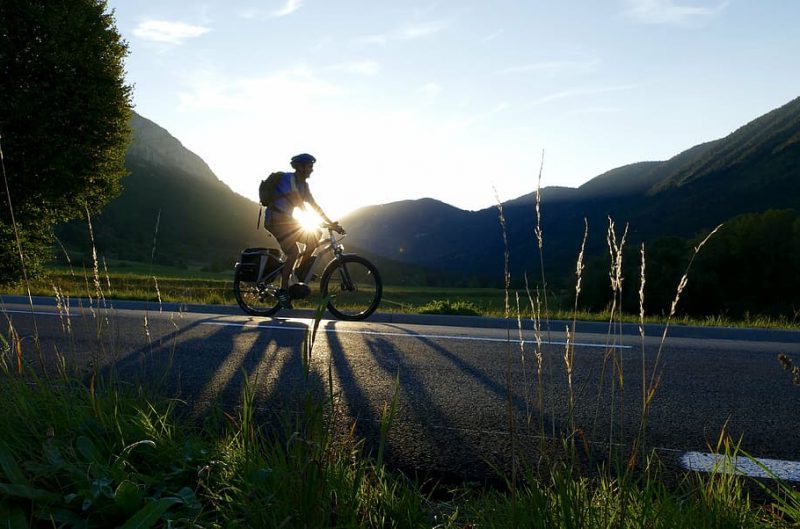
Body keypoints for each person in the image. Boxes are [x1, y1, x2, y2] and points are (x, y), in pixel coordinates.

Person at [263, 153, 339, 308]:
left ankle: (298, 272)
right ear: (300, 167)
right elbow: (298, 201)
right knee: (293, 252)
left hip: (286, 221)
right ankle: (284, 291)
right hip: (275, 220)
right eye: (309, 166)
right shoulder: (289, 179)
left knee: (315, 236)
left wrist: (332, 223)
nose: (312, 169)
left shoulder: (304, 186)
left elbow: (315, 206)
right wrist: (313, 220)